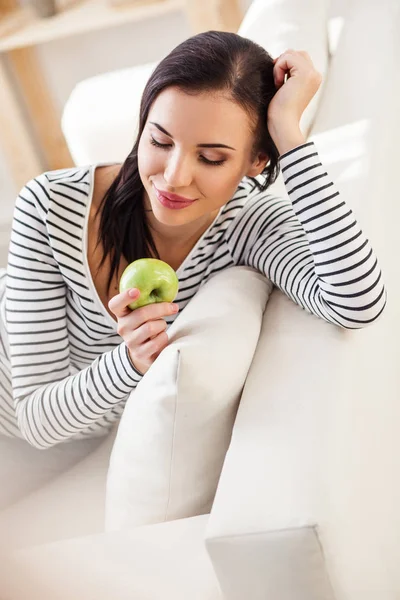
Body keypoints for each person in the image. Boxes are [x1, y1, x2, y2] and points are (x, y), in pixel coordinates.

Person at [0, 31, 387, 451]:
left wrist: (288, 135)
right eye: (160, 141)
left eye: (211, 157)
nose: (173, 177)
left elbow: (357, 302)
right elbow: (37, 419)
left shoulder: (249, 226)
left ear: (257, 160)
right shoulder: (51, 203)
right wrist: (128, 361)